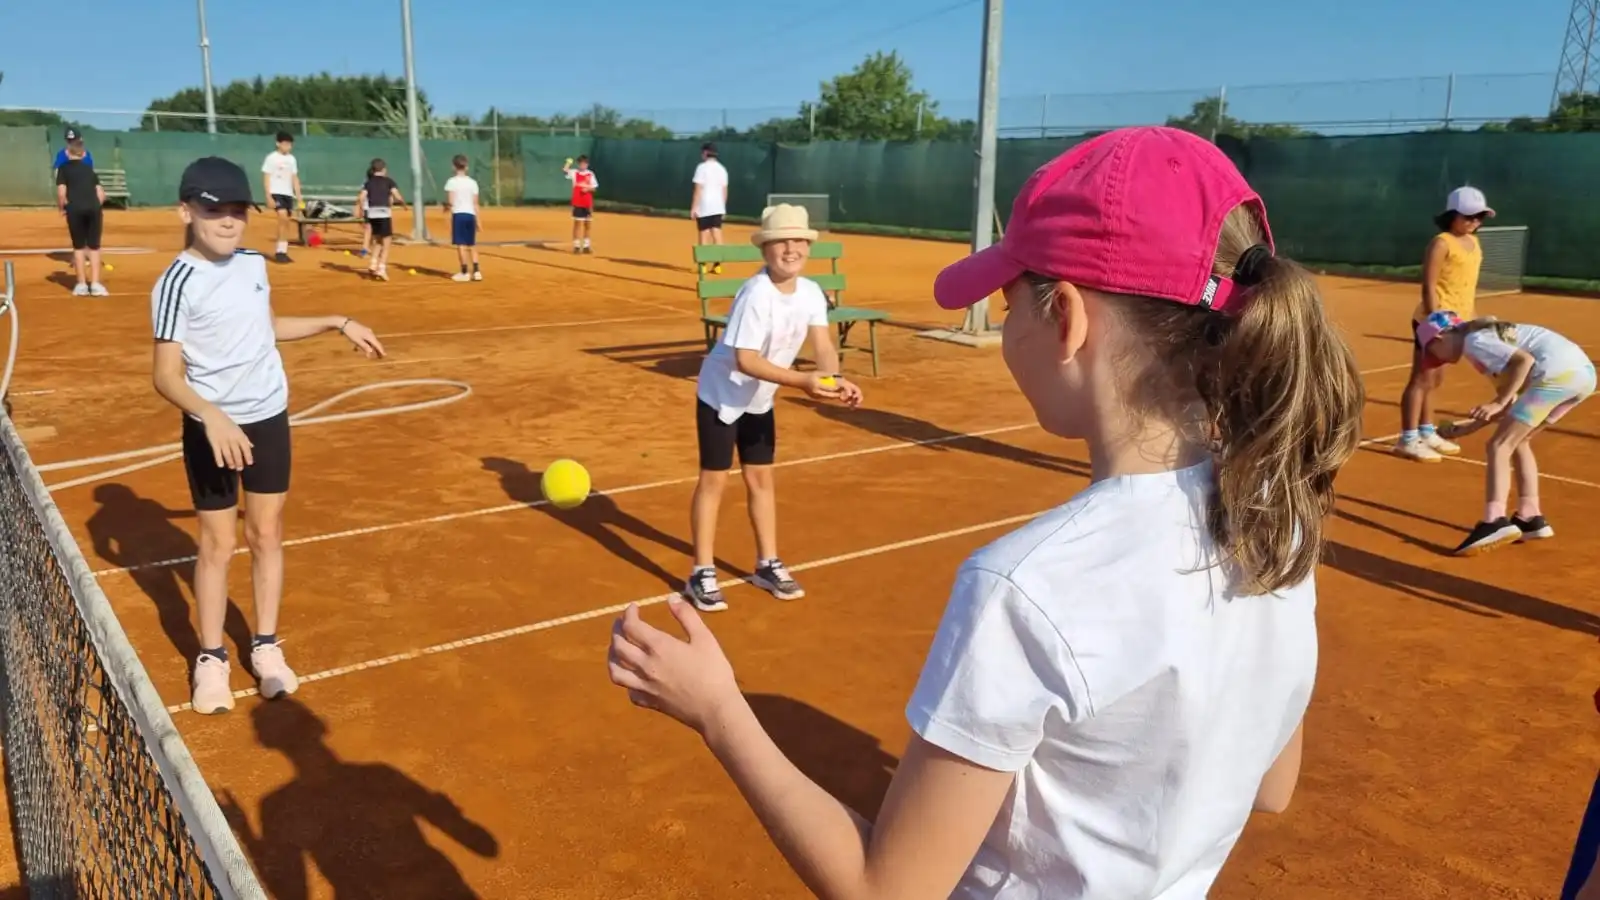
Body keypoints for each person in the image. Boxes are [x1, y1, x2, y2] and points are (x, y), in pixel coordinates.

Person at [607, 126, 1366, 899]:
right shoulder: (1278, 526)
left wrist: (719, 710)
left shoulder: (1025, 587)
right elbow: (1270, 786)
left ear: (1065, 317)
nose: (1004, 326)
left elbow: (884, 891)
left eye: (1009, 304)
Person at [150, 156, 385, 715]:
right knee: (216, 544)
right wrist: (211, 416)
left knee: (267, 533)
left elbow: (265, 329)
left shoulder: (254, 264)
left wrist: (336, 321)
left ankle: (265, 646)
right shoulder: (176, 282)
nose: (229, 221)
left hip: (268, 416)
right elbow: (165, 375)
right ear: (186, 212)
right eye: (215, 211)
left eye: (238, 210)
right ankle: (211, 658)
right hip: (212, 427)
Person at [680, 204, 862, 613]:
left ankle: (767, 564)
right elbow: (745, 360)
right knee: (714, 481)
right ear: (765, 249)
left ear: (808, 247)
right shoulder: (756, 294)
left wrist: (834, 381)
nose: (790, 249)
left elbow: (823, 346)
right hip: (722, 395)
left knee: (761, 479)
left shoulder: (811, 292)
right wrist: (804, 382)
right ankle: (701, 572)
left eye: (798, 240)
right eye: (781, 241)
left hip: (760, 397)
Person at [1418, 312, 1595, 554]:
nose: (1437, 359)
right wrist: (1467, 428)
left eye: (1432, 351)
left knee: (1498, 446)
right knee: (1520, 440)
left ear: (1440, 337)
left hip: (1555, 376)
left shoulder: (1475, 341)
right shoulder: (1485, 340)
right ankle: (1530, 517)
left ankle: (1494, 520)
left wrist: (1498, 402)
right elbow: (1511, 400)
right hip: (1581, 377)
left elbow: (1524, 362)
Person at [1396, 186, 1492, 462]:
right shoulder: (1441, 243)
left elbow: (1466, 287)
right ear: (1452, 215)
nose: (1474, 221)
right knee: (1422, 378)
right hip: (1434, 321)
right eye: (1468, 216)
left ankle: (1427, 431)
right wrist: (1435, 322)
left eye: (1479, 217)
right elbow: (1429, 286)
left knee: (1436, 379)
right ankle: (1407, 439)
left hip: (1460, 322)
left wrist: (1471, 320)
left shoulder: (1474, 243)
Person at [55, 138, 107, 297]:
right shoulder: (89, 170)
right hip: (93, 209)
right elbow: (101, 193)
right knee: (94, 247)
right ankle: (96, 285)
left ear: (67, 153)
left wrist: (62, 208)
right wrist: (95, 206)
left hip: (75, 209)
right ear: (84, 154)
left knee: (78, 247)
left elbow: (61, 193)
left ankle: (82, 285)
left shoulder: (63, 169)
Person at [355, 158, 405, 282]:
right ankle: (381, 268)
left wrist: (361, 209)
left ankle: (373, 263)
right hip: (384, 213)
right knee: (387, 242)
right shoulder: (389, 181)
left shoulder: (368, 183)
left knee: (377, 240)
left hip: (372, 214)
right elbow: (397, 195)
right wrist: (403, 203)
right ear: (384, 169)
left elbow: (361, 197)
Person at [261, 131, 303, 264]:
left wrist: (299, 196)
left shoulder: (292, 159)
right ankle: (279, 253)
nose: (288, 147)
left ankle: (282, 251)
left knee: (286, 222)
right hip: (276, 192)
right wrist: (268, 196)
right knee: (282, 217)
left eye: (290, 144)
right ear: (278, 143)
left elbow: (294, 178)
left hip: (288, 193)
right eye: (285, 144)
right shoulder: (271, 158)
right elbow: (266, 177)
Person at [443, 155, 482, 282]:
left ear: (454, 167)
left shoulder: (451, 182)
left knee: (461, 244)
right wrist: (478, 221)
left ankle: (464, 272)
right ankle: (476, 271)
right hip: (470, 215)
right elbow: (475, 203)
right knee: (471, 243)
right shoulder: (473, 183)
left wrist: (446, 210)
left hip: (458, 215)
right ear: (466, 167)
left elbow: (450, 201)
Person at [691, 142, 729, 274]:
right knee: (717, 233)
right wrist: (723, 207)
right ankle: (717, 265)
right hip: (718, 206)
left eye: (702, 152)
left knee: (704, 234)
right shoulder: (722, 169)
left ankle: (703, 265)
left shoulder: (701, 168)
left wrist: (694, 207)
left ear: (706, 153)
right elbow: (724, 190)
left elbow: (698, 189)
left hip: (704, 206)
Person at [562, 155, 598, 254]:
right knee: (577, 224)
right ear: (578, 164)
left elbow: (594, 187)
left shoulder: (590, 174)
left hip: (588, 203)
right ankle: (577, 246)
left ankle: (586, 246)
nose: (583, 165)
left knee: (588, 224)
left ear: (587, 164)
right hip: (578, 202)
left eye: (585, 164)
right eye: (581, 164)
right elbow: (565, 171)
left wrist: (588, 189)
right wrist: (568, 163)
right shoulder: (574, 172)